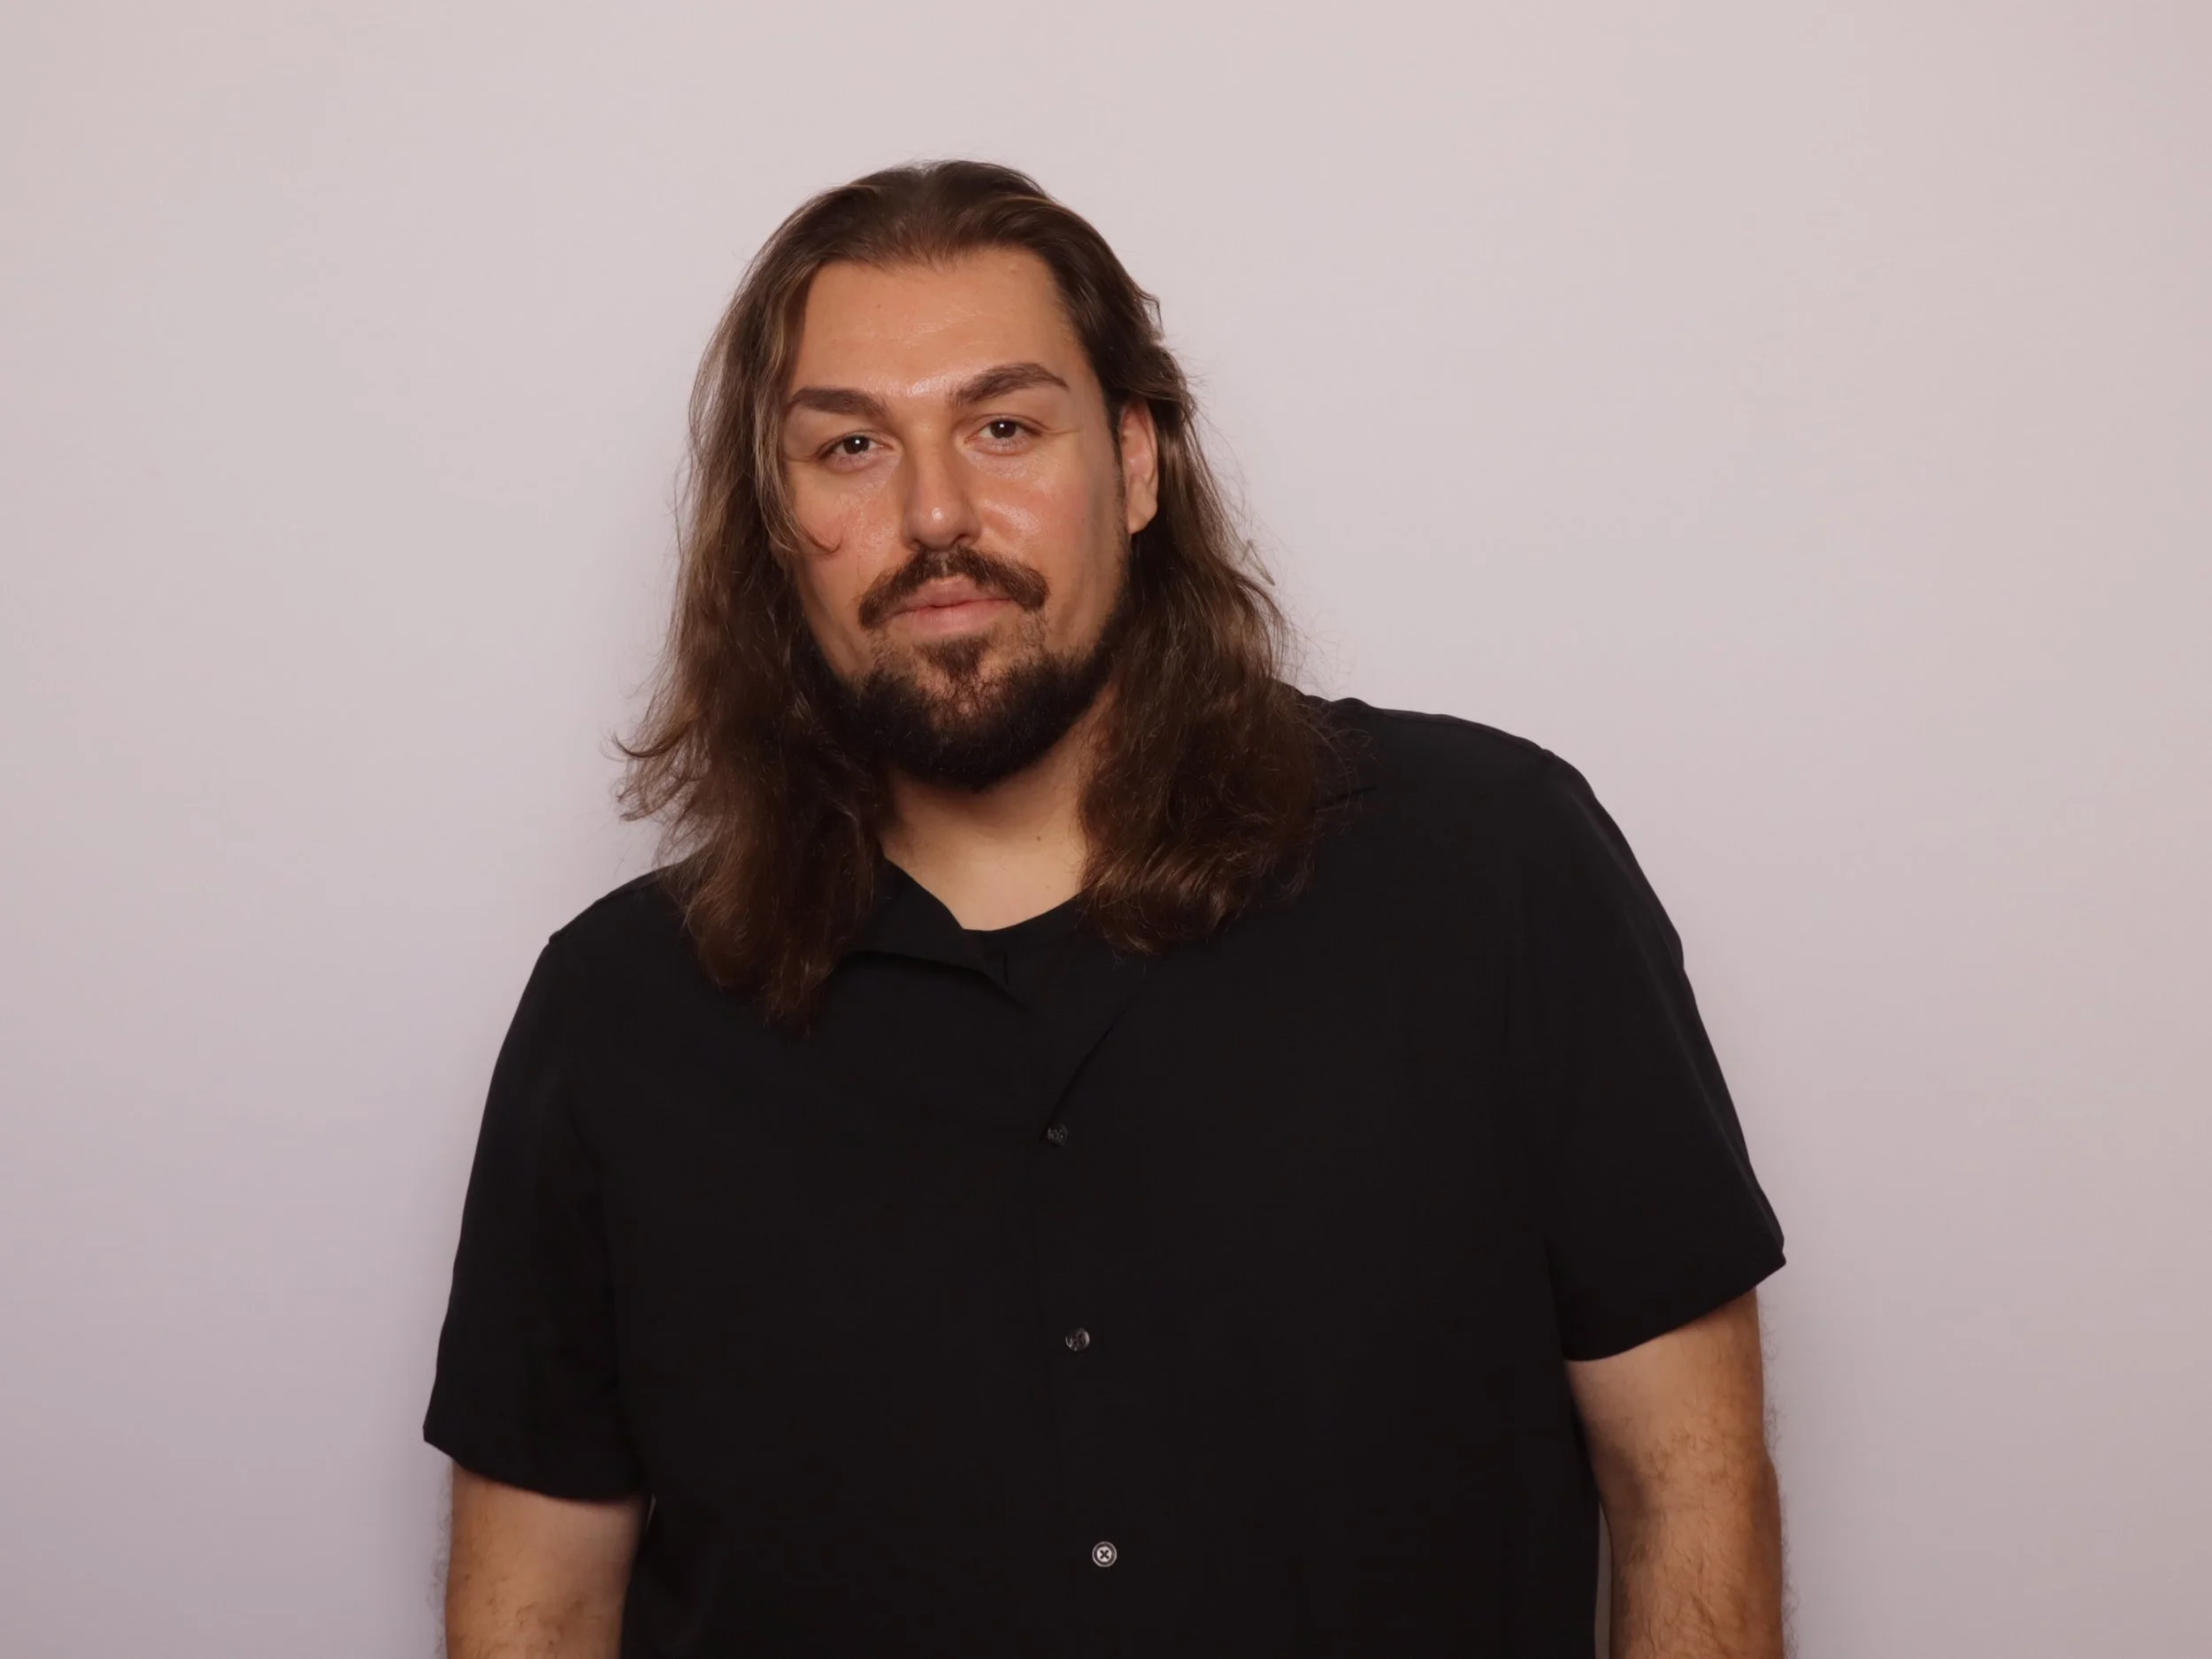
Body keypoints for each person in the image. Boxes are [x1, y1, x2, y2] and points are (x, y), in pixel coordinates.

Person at [424, 160, 1787, 1659]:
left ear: (1136, 467)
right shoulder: (620, 1018)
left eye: (1005, 427)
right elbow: (534, 1614)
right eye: (853, 447)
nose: (937, 513)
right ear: (775, 520)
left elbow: (1688, 1485)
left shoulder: (1494, 870)